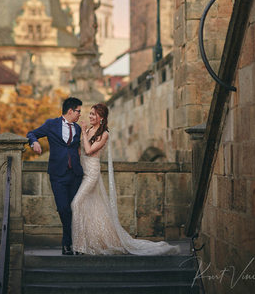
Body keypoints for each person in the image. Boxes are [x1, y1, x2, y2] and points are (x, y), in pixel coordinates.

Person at [71, 103, 180, 255]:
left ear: (101, 118)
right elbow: (80, 151)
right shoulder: (88, 130)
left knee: (76, 203)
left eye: (93, 114)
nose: (90, 116)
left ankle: (79, 246)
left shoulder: (105, 134)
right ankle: (91, 243)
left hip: (92, 173)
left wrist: (82, 131)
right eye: (89, 114)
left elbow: (89, 151)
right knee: (92, 208)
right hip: (83, 171)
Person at [27, 96, 83, 255]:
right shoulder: (51, 124)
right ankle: (68, 242)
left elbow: (77, 148)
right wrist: (34, 142)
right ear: (70, 111)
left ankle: (72, 245)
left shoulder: (78, 128)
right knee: (63, 209)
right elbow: (31, 133)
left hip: (75, 174)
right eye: (78, 111)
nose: (80, 114)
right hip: (58, 175)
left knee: (75, 210)